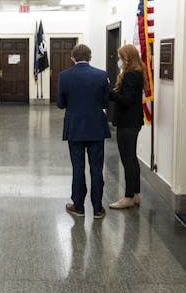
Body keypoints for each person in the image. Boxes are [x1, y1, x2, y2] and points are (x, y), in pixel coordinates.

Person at [56, 43, 111, 219]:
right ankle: (97, 208)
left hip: (75, 128)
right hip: (96, 127)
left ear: (73, 58)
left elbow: (60, 104)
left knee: (78, 168)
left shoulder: (64, 76)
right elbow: (105, 102)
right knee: (96, 168)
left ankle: (78, 206)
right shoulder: (101, 75)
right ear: (90, 57)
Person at [108, 44, 147, 209]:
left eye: (120, 57)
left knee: (127, 160)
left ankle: (129, 197)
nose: (118, 60)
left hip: (128, 123)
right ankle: (135, 194)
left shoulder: (131, 74)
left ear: (127, 57)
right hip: (134, 122)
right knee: (132, 158)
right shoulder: (137, 72)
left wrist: (111, 93)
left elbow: (127, 100)